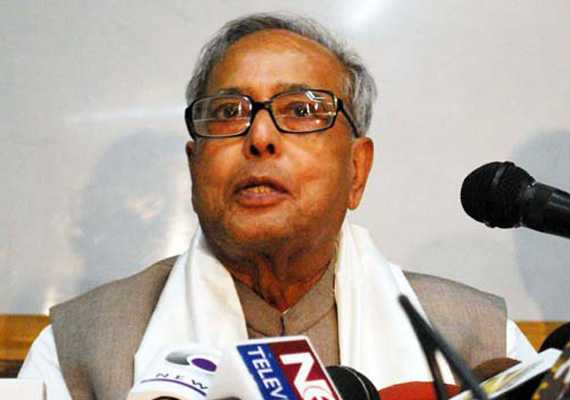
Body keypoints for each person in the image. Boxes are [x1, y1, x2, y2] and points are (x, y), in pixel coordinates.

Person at [19, 12, 536, 400]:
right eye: (229, 111)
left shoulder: (476, 337)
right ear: (195, 167)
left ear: (357, 171)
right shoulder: (80, 350)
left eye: (301, 110)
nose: (260, 136)